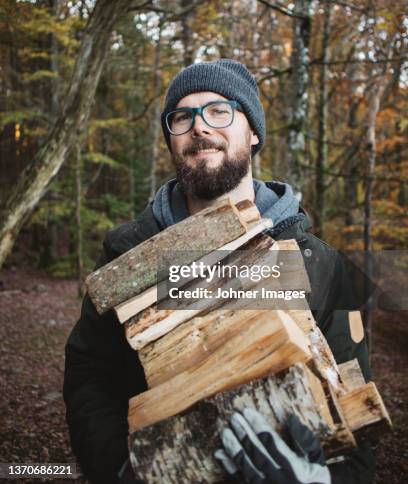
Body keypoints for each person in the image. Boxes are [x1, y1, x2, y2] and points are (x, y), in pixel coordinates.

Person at [63, 59, 375, 484]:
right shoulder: (130, 253)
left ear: (254, 132)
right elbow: (89, 373)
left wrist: (317, 480)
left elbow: (359, 411)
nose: (199, 127)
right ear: (171, 139)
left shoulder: (321, 266)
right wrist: (118, 467)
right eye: (182, 117)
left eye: (219, 110)